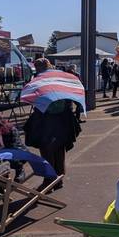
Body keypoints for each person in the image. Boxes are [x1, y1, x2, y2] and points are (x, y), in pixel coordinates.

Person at [24, 59, 81, 191]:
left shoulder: (41, 80)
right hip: (63, 119)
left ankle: (49, 181)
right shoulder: (60, 77)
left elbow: (36, 98)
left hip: (47, 120)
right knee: (59, 149)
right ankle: (59, 179)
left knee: (47, 150)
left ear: (39, 69)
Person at [0, 112, 28, 182]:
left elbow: (14, 146)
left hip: (15, 152)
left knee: (9, 160)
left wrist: (0, 156)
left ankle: (19, 169)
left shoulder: (11, 130)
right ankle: (2, 177)